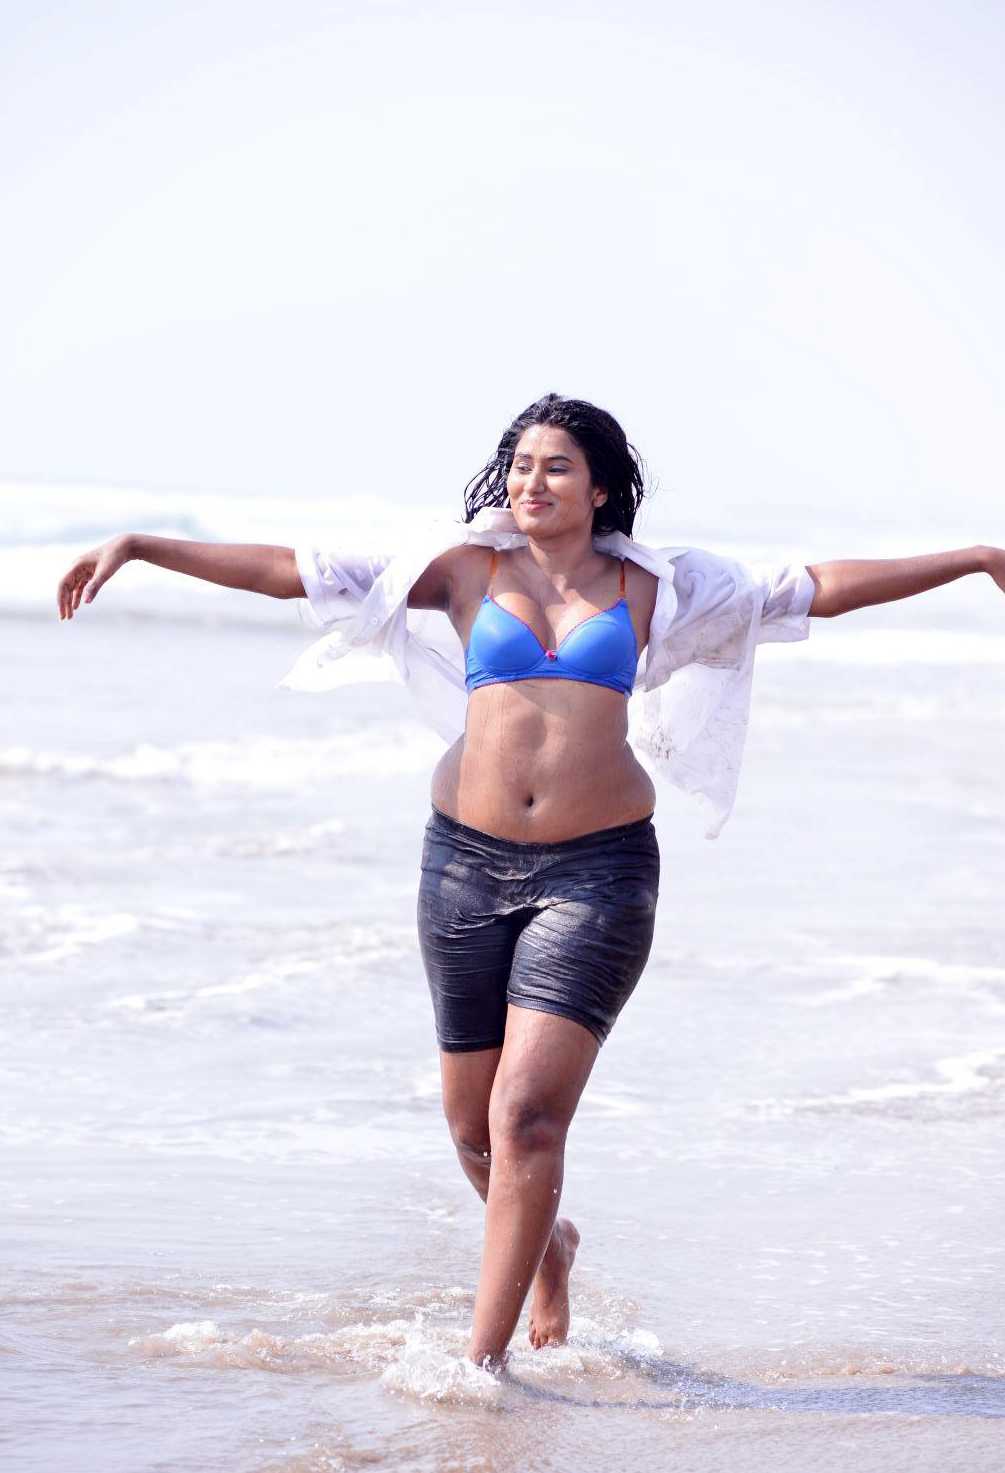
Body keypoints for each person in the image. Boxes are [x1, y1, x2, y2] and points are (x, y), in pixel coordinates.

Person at [57, 392, 1002, 1370]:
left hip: (597, 875)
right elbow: (290, 571)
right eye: (519, 465)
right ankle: (550, 1250)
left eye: (555, 466)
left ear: (599, 488)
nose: (530, 482)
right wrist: (141, 545)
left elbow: (817, 587)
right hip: (463, 868)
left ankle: (483, 1365)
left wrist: (974, 558)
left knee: (525, 1118)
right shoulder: (460, 569)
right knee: (473, 1131)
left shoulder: (660, 585)